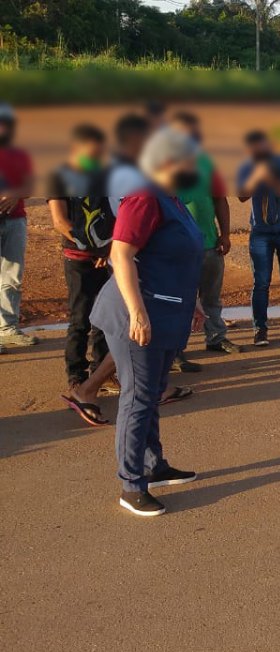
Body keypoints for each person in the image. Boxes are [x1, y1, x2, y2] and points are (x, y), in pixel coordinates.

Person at [89, 127, 204, 517]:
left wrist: (195, 305)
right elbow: (121, 256)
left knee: (152, 390)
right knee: (137, 397)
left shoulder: (170, 198)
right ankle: (131, 484)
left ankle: (154, 466)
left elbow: (181, 259)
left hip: (167, 309)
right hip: (136, 314)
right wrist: (138, 312)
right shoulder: (144, 197)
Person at [46, 124, 111, 392]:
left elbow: (112, 216)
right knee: (80, 318)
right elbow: (60, 222)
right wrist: (94, 249)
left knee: (104, 318)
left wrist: (107, 251)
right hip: (78, 258)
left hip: (104, 256)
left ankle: (101, 371)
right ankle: (76, 374)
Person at [172, 111, 242, 354]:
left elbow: (220, 200)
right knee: (179, 299)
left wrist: (225, 234)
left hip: (210, 243)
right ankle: (176, 350)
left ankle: (216, 337)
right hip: (178, 247)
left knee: (212, 297)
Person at [237, 129, 280, 347]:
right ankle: (260, 330)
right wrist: (257, 176)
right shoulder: (247, 167)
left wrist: (273, 180)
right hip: (261, 231)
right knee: (261, 283)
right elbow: (241, 195)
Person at [0, 102, 37, 352]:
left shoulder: (20, 153)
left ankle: (6, 329)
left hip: (15, 219)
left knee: (12, 277)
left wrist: (15, 195)